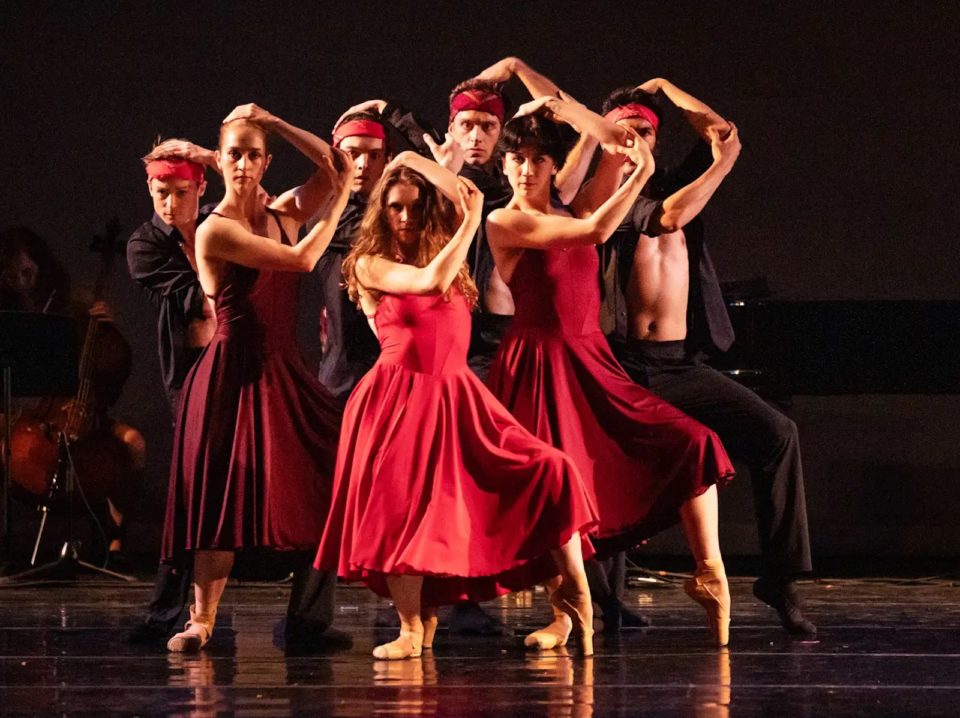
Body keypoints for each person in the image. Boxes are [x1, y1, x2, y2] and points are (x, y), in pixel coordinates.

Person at [314, 153, 598, 659]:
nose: (405, 218)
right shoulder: (367, 263)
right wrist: (466, 222)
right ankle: (410, 626)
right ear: (382, 212)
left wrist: (410, 160)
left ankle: (572, 593)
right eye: (396, 208)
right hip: (398, 398)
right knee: (402, 513)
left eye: (416, 209)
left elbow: (465, 199)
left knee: (550, 470)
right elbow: (428, 283)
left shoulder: (454, 261)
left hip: (457, 396)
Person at [485, 102, 736, 647]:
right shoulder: (503, 221)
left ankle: (710, 572)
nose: (526, 168)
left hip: (592, 357)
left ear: (554, 166)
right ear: (505, 167)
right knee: (554, 481)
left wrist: (566, 110)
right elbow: (597, 233)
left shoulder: (572, 209)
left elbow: (607, 159)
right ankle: (563, 610)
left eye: (537, 159)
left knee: (692, 441)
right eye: (517, 159)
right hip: (537, 363)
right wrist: (638, 174)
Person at [593, 80, 815, 636]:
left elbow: (724, 136)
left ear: (656, 139)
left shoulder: (673, 180)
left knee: (778, 433)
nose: (632, 142)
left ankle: (779, 581)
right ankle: (605, 599)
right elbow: (667, 217)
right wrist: (719, 168)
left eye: (642, 133)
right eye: (620, 135)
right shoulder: (604, 202)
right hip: (623, 365)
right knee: (606, 467)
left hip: (680, 364)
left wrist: (667, 88)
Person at [161, 105, 353, 652]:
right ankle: (201, 618)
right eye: (235, 154)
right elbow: (299, 260)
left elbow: (337, 163)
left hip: (281, 371)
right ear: (219, 162)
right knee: (221, 496)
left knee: (330, 474)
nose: (244, 164)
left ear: (266, 161)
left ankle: (308, 620)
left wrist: (274, 121)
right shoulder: (214, 229)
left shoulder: (285, 210)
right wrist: (338, 202)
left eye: (253, 154)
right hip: (231, 374)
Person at [0, 226, 143, 565]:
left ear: (40, 265)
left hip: (79, 409)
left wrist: (106, 324)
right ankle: (5, 539)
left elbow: (108, 365)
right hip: (24, 409)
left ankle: (116, 537)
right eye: (11, 275)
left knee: (134, 443)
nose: (22, 281)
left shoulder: (71, 302)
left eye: (27, 272)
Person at [310, 100, 437, 401]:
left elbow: (442, 162)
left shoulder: (403, 211)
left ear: (387, 158)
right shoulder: (327, 214)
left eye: (374, 155)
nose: (364, 164)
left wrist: (389, 110)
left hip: (407, 368)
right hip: (348, 378)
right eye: (353, 154)